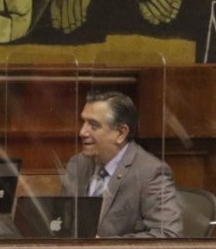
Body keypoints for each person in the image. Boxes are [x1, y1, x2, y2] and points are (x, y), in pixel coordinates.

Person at [61, 90, 181, 238]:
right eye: (83, 123)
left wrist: (105, 247)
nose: (82, 132)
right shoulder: (77, 164)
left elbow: (168, 234)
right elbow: (64, 225)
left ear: (121, 133)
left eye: (93, 125)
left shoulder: (150, 172)